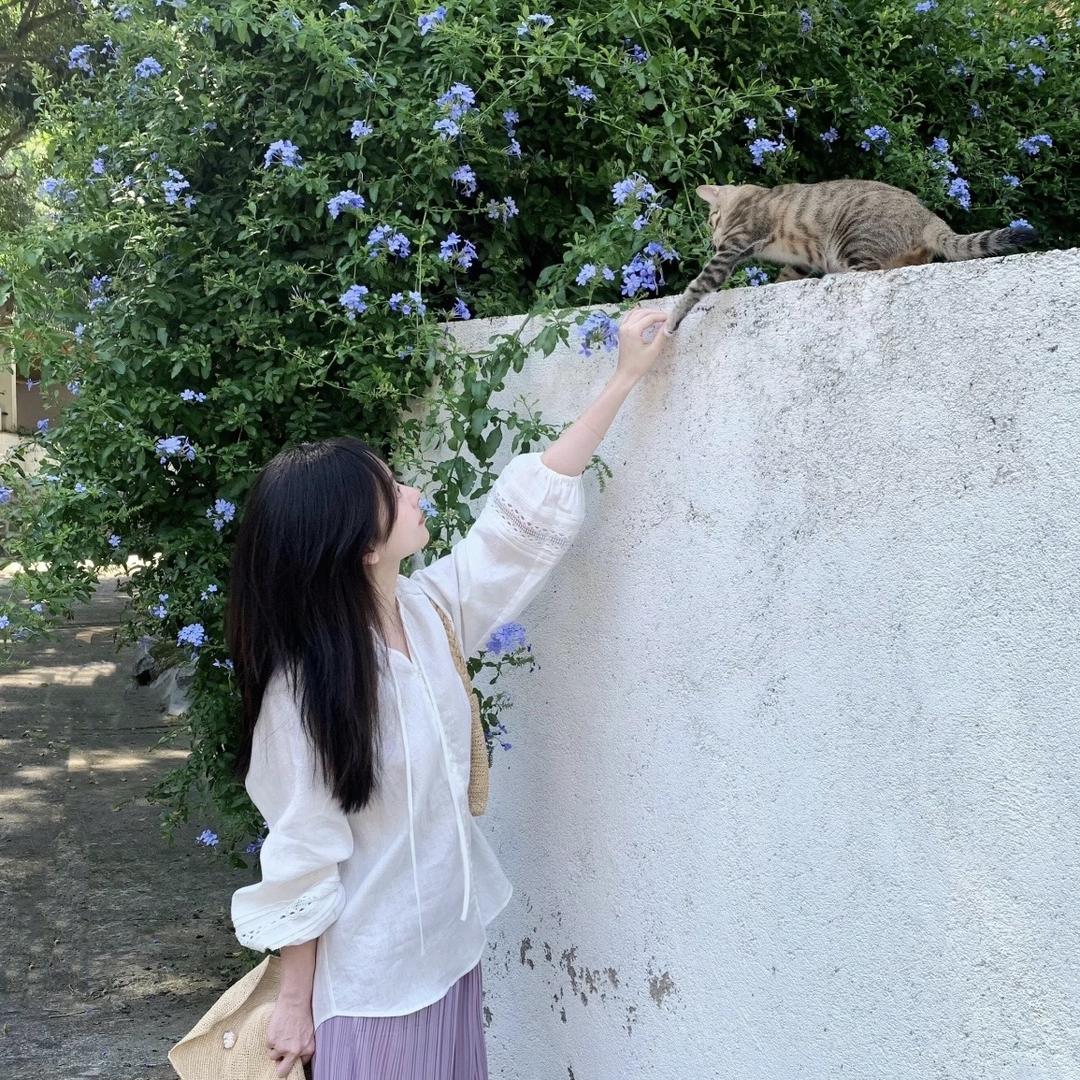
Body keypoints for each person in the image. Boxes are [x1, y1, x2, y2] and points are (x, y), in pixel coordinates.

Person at [224, 305, 672, 1079]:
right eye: (392, 490)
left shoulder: (429, 612)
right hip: (371, 988)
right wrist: (294, 1002)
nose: (413, 490)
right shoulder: (303, 695)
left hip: (449, 958)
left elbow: (514, 529)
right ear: (362, 547)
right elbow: (303, 853)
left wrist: (624, 378)